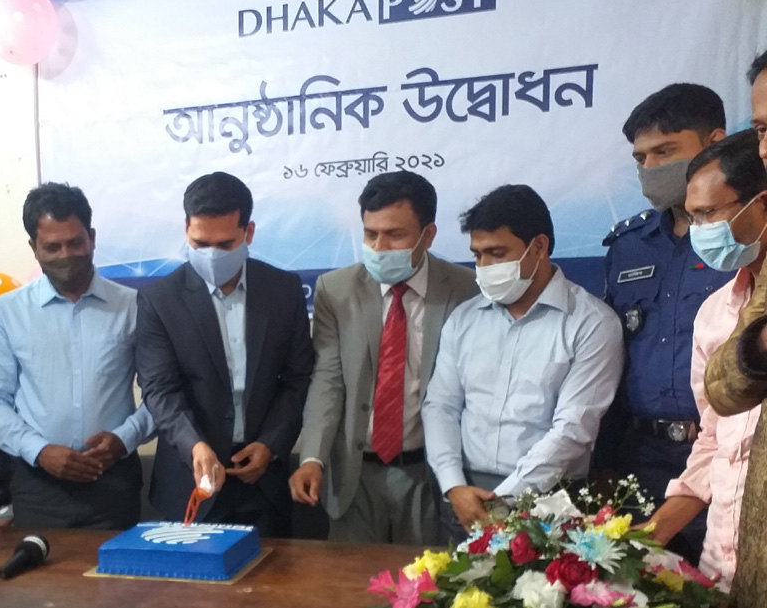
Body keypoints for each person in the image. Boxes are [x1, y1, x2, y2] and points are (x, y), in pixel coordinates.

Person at [422, 184, 623, 541]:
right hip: (465, 495)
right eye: (477, 255)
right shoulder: (464, 319)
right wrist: (453, 486)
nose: (483, 267)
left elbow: (573, 428)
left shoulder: (591, 322)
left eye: (497, 253)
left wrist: (503, 500)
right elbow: (441, 406)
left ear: (539, 247)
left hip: (549, 496)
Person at [289, 172, 477, 545]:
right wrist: (312, 457)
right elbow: (328, 380)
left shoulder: (465, 289)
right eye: (370, 234)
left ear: (428, 235)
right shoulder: (336, 290)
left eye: (395, 235)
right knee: (351, 577)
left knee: (426, 576)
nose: (379, 247)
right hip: (355, 473)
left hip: (428, 473)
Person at [595, 84, 731, 563]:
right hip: (641, 460)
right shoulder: (628, 246)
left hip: (726, 459)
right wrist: (605, 462)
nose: (650, 168)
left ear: (714, 142)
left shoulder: (742, 235)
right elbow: (614, 362)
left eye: (665, 152)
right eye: (641, 158)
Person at [137, 171, 314, 537]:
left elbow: (298, 379)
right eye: (200, 243)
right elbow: (159, 389)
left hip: (265, 485)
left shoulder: (282, 290)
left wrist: (271, 445)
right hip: (191, 482)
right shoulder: (160, 299)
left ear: (249, 233)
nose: (211, 255)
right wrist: (195, 446)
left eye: (225, 244)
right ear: (186, 228)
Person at [0, 183, 155, 529]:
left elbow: (162, 393)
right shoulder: (6, 312)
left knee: (115, 567)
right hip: (38, 487)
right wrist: (40, 451)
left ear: (92, 238)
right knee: (40, 567)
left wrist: (124, 439)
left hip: (114, 483)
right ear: (34, 248)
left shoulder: (134, 306)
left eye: (75, 243)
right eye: (52, 247)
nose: (65, 255)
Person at [634, 130, 766, 591]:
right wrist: (654, 531)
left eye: (710, 214)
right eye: (692, 217)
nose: (699, 231)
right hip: (719, 562)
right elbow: (713, 437)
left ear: (762, 205)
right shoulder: (714, 314)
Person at [695, 48, 767, 604]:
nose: (765, 149)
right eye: (762, 131)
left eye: (709, 215)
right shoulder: (721, 307)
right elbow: (721, 399)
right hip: (730, 563)